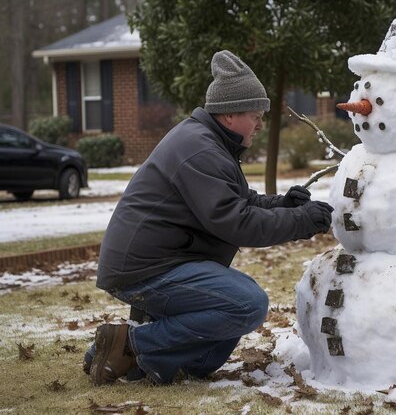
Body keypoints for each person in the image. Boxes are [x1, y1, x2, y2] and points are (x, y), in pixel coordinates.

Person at [85, 50, 334, 385]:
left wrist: (283, 204)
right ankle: (133, 345)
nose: (261, 123)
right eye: (255, 115)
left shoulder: (208, 142)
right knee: (247, 303)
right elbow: (237, 222)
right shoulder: (201, 150)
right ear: (230, 115)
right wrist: (302, 221)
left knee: (204, 359)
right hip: (146, 270)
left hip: (163, 261)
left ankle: (126, 354)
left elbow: (239, 201)